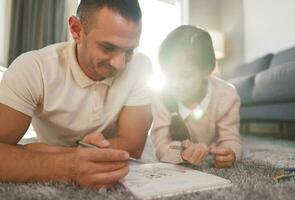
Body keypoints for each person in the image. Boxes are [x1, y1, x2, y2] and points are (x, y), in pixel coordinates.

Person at [0, 0, 152, 189]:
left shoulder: (140, 66)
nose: (120, 64)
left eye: (129, 51)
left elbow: (133, 146)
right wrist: (69, 165)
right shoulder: (34, 68)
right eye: (108, 48)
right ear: (76, 29)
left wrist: (43, 152)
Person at [151, 25, 242, 168]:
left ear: (207, 71)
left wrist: (231, 153)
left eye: (184, 75)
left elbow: (231, 138)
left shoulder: (227, 96)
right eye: (168, 75)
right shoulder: (161, 97)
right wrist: (181, 153)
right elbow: (161, 145)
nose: (174, 84)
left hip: (211, 152)